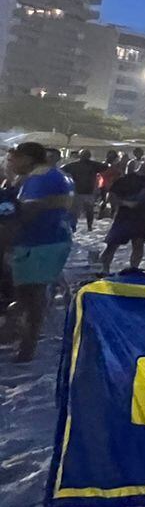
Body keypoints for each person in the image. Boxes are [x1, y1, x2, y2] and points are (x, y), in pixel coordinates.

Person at [5, 142, 73, 362]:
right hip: (49, 241)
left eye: (12, 158)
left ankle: (26, 348)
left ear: (27, 157)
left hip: (41, 243)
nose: (10, 162)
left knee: (30, 295)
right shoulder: (50, 175)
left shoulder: (39, 179)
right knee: (29, 294)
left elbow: (26, 213)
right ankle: (23, 341)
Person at [99, 154, 145, 276]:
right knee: (112, 244)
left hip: (144, 217)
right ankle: (104, 269)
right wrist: (126, 203)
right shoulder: (127, 179)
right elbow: (112, 197)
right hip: (125, 216)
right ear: (142, 161)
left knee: (138, 243)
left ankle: (133, 269)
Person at [63, 148, 107, 233]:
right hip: (77, 191)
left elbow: (105, 167)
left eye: (87, 155)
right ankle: (74, 227)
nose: (85, 157)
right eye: (84, 155)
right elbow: (62, 170)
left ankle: (89, 226)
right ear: (80, 156)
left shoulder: (93, 165)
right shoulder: (73, 165)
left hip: (88, 191)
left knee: (88, 211)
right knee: (75, 212)